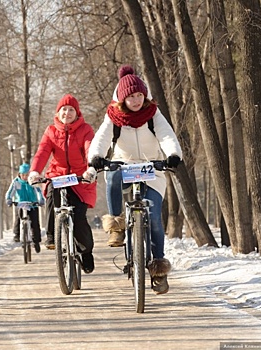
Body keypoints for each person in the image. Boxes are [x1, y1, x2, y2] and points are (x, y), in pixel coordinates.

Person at [87, 65, 183, 295]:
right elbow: (101, 138)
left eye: (139, 95)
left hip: (152, 168)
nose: (137, 100)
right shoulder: (114, 117)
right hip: (125, 164)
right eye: (131, 96)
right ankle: (118, 226)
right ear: (122, 98)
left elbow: (167, 134)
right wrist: (96, 158)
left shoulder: (153, 114)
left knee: (155, 217)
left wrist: (173, 155)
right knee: (112, 175)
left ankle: (158, 266)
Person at [27, 94, 97, 274]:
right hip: (57, 175)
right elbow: (42, 152)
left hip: (80, 178)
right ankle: (51, 235)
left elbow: (90, 149)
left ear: (77, 112)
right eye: (63, 109)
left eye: (71, 109)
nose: (67, 112)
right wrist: (35, 171)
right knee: (51, 193)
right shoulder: (51, 131)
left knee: (79, 218)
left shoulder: (85, 130)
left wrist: (91, 169)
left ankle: (85, 251)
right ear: (58, 112)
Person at [5, 163, 42, 253]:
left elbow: (38, 191)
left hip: (32, 204)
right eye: (23, 175)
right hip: (21, 204)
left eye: (27, 175)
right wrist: (9, 199)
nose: (25, 177)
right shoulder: (16, 182)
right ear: (20, 174)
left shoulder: (32, 181)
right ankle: (17, 235)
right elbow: (10, 192)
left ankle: (36, 241)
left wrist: (40, 200)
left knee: (35, 223)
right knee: (18, 219)